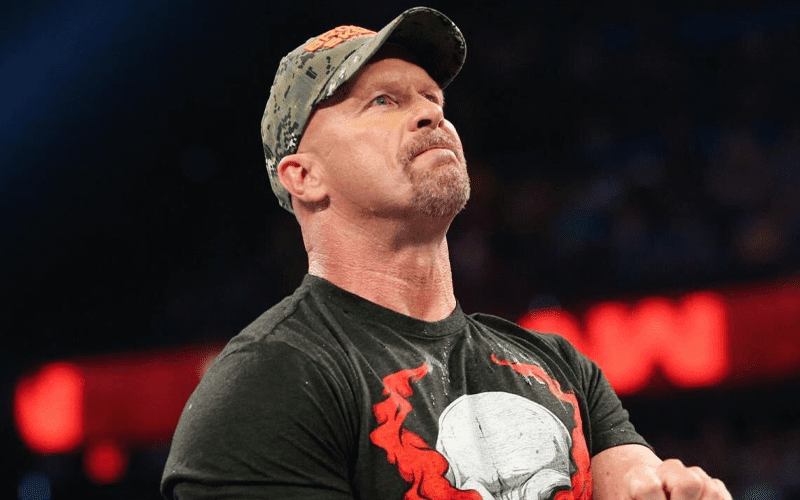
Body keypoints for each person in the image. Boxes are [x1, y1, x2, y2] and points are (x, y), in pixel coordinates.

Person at [161, 7, 732, 500]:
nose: (431, 113)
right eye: (382, 100)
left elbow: (636, 479)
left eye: (433, 98)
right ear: (303, 176)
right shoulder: (268, 383)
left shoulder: (562, 367)